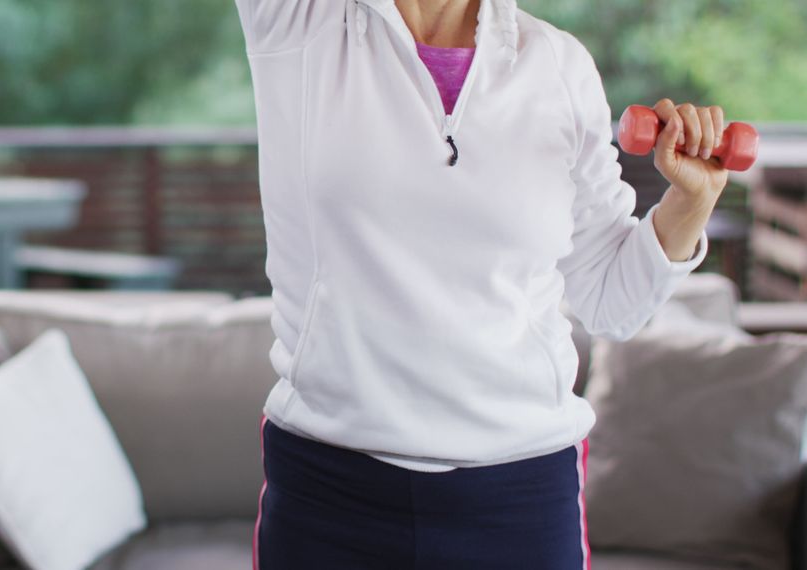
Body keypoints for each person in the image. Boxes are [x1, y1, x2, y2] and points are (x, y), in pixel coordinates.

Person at [233, 0, 728, 567]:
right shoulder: (296, 22)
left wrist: (692, 203)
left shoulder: (559, 66)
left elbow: (611, 301)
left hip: (519, 500)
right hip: (329, 490)